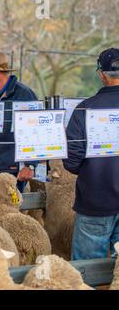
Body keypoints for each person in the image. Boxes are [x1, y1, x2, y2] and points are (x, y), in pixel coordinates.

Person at [64, 48, 119, 260]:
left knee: (87, 273)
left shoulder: (84, 109)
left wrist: (92, 169)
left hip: (95, 202)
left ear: (101, 74)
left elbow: (71, 160)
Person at [0, 51, 38, 191]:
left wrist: (30, 165)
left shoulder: (24, 96)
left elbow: (36, 131)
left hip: (12, 173)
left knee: (7, 212)